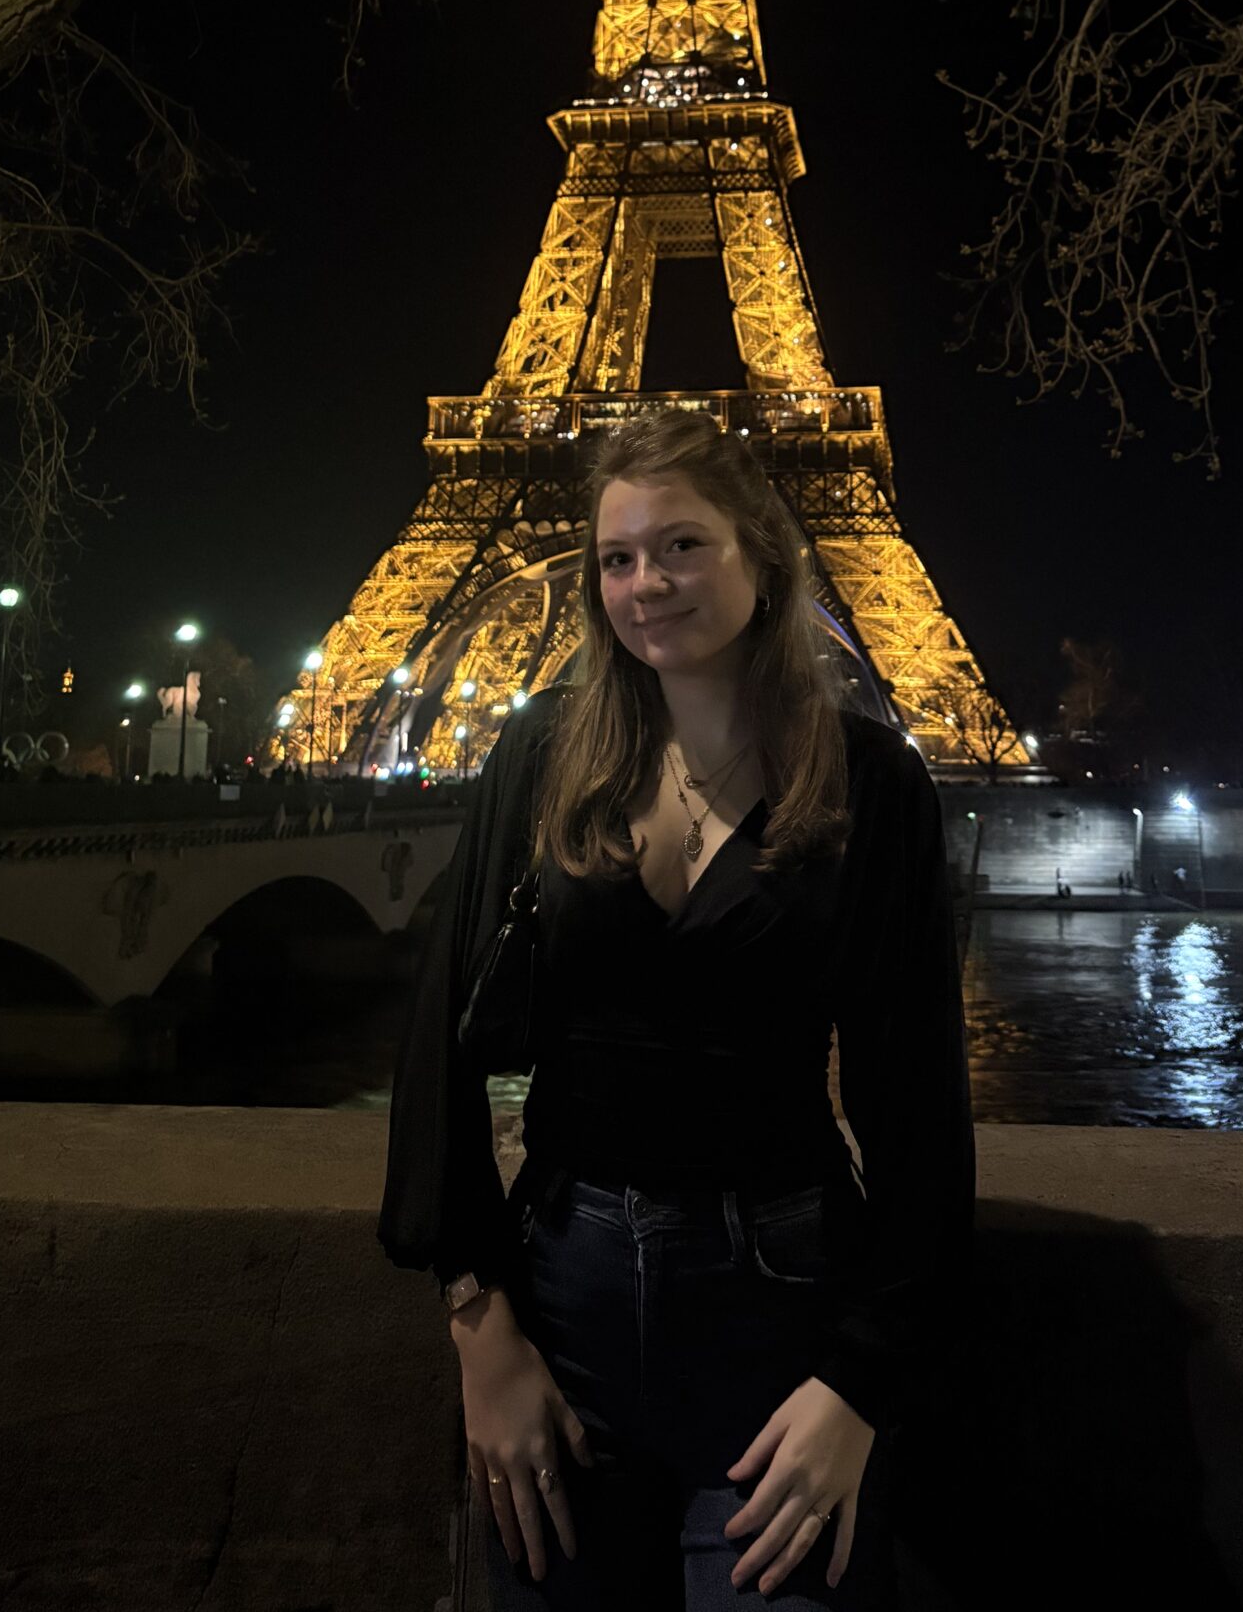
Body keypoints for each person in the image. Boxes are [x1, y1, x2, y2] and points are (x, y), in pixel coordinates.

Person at [378, 408, 973, 1609]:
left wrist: (860, 1385)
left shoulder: (873, 786)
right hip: (563, 1301)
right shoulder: (540, 757)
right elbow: (440, 1036)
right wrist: (480, 1327)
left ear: (763, 552)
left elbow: (914, 1103)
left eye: (683, 545)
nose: (646, 582)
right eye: (618, 557)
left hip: (785, 1319)